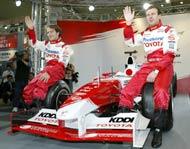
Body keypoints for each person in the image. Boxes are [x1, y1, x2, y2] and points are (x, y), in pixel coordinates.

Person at [118, 5, 178, 148]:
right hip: (148, 64)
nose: (150, 16)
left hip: (164, 65)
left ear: (158, 16)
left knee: (162, 92)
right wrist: (127, 24)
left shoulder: (169, 31)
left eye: (153, 14)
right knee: (128, 90)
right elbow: (129, 41)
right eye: (148, 14)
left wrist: (156, 71)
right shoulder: (145, 34)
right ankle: (122, 124)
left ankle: (158, 130)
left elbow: (169, 55)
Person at [23, 16, 73, 106]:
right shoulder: (47, 44)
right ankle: (30, 107)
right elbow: (34, 44)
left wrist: (49, 73)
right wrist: (31, 30)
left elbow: (61, 65)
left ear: (58, 33)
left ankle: (40, 105)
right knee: (30, 86)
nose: (49, 34)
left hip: (57, 71)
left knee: (40, 86)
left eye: (51, 32)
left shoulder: (65, 47)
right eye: (48, 32)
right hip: (46, 70)